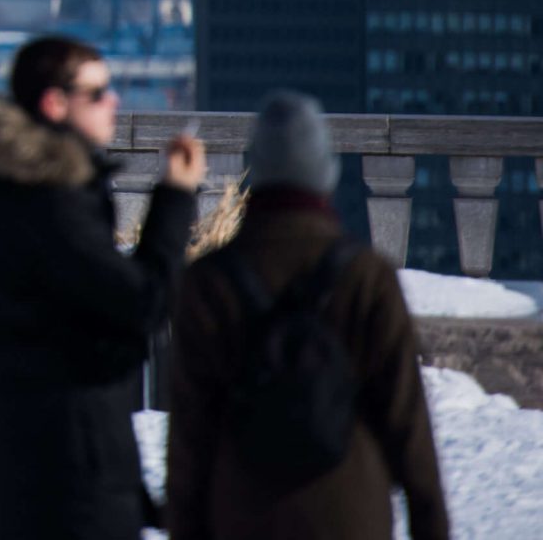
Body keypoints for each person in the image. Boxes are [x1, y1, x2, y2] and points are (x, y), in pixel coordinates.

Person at [0, 33, 206, 540]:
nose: (113, 101)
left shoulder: (4, 194)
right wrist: (176, 197)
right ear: (54, 103)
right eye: (97, 93)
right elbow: (143, 303)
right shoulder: (47, 204)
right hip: (69, 485)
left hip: (36, 475)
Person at [166, 91, 449, 540]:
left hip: (243, 517)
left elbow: (189, 438)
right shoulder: (366, 275)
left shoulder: (208, 282)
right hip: (350, 513)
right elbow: (408, 428)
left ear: (254, 171)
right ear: (327, 172)